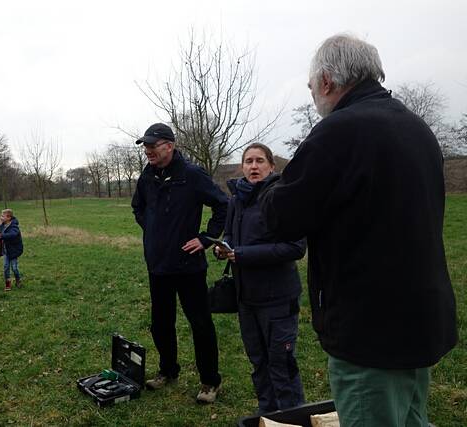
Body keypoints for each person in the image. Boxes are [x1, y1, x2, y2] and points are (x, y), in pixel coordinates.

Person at [260, 34, 457, 426]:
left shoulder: (340, 131)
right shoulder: (415, 127)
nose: (313, 95)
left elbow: (280, 218)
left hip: (371, 333)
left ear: (328, 82)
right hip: (418, 321)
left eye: (312, 86)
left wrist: (270, 185)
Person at [131, 122, 228, 404]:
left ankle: (210, 381)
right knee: (161, 323)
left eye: (153, 146)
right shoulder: (147, 176)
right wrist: (150, 227)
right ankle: (167, 370)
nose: (148, 151)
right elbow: (138, 207)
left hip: (188, 266)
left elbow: (222, 204)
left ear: (170, 146)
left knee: (200, 323)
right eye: (145, 146)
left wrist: (207, 238)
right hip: (157, 265)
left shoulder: (192, 174)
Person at [215, 143, 306, 414]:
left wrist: (242, 254)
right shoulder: (236, 200)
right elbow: (230, 234)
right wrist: (224, 247)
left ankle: (291, 417)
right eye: (248, 161)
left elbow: (296, 247)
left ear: (271, 166)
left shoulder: (283, 199)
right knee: (258, 362)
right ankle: (267, 414)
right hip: (247, 299)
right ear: (242, 167)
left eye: (259, 161)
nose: (253, 166)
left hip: (278, 301)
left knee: (282, 365)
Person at [0, 208, 23, 291]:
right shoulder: (1, 227)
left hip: (14, 251)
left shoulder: (14, 226)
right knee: (6, 267)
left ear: (9, 217)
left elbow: (13, 234)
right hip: (6, 251)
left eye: (3, 216)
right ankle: (8, 284)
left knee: (14, 268)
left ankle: (18, 280)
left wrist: (2, 236)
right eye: (1, 216)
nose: (1, 217)